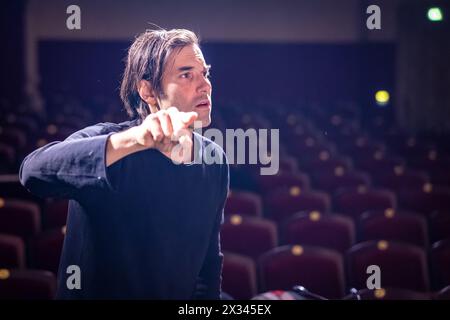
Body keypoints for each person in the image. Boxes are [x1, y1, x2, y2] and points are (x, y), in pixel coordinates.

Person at [19, 28, 229, 299]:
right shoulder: (110, 142)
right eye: (186, 75)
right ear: (148, 91)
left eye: (205, 73)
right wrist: (136, 139)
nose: (205, 85)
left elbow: (208, 266)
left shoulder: (214, 160)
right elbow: (32, 172)